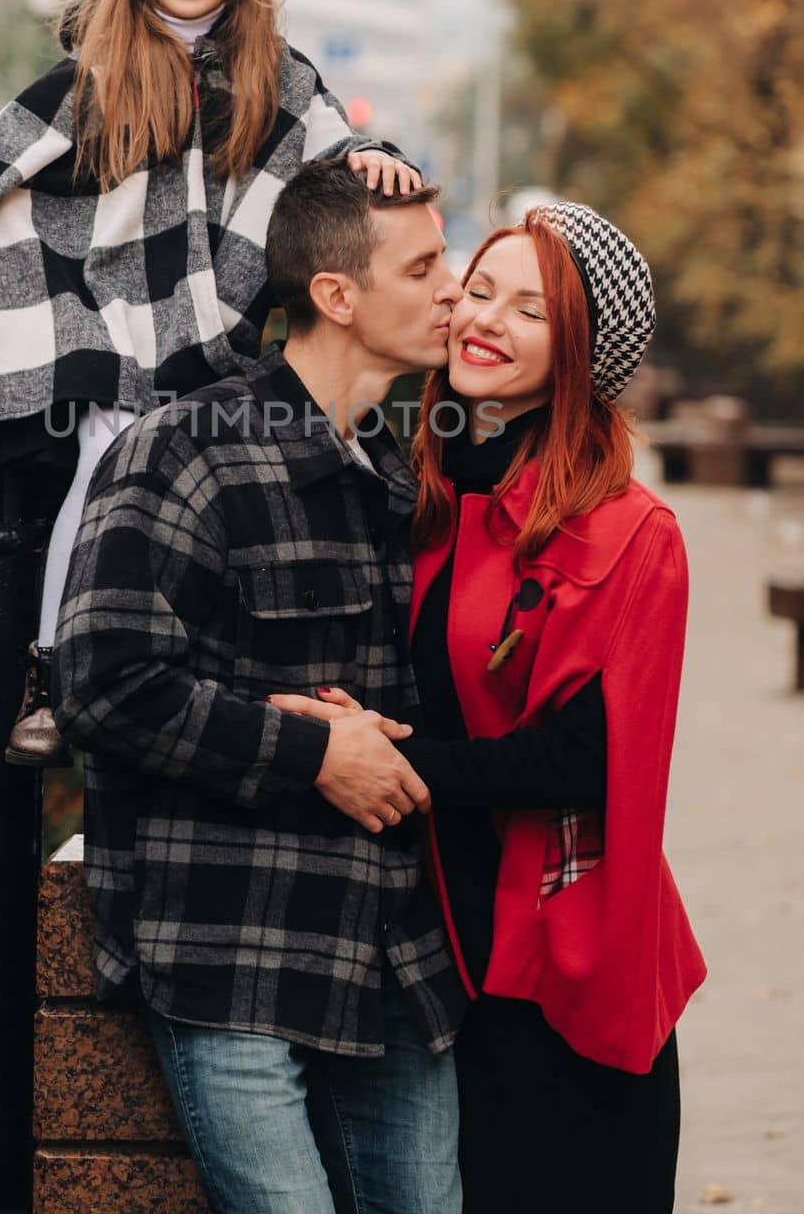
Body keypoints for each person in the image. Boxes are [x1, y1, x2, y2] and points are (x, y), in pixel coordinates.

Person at [0, 0, 418, 766]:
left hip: (215, 325)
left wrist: (378, 161)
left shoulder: (281, 77)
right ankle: (60, 668)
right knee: (113, 447)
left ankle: (214, 677)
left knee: (224, 482)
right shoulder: (94, 70)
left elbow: (340, 149)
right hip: (109, 316)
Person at [270, 201, 707, 1214]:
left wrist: (391, 760)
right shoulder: (403, 492)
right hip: (422, 963)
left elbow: (583, 753)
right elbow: (315, 296)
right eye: (478, 291)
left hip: (560, 963)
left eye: (530, 309)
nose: (487, 320)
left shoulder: (625, 532)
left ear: (578, 354)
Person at [52, 160, 466, 1214]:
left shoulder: (399, 475)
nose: (451, 287)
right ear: (335, 294)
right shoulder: (185, 453)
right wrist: (314, 751)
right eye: (421, 267)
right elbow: (106, 684)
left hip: (387, 950)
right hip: (229, 944)